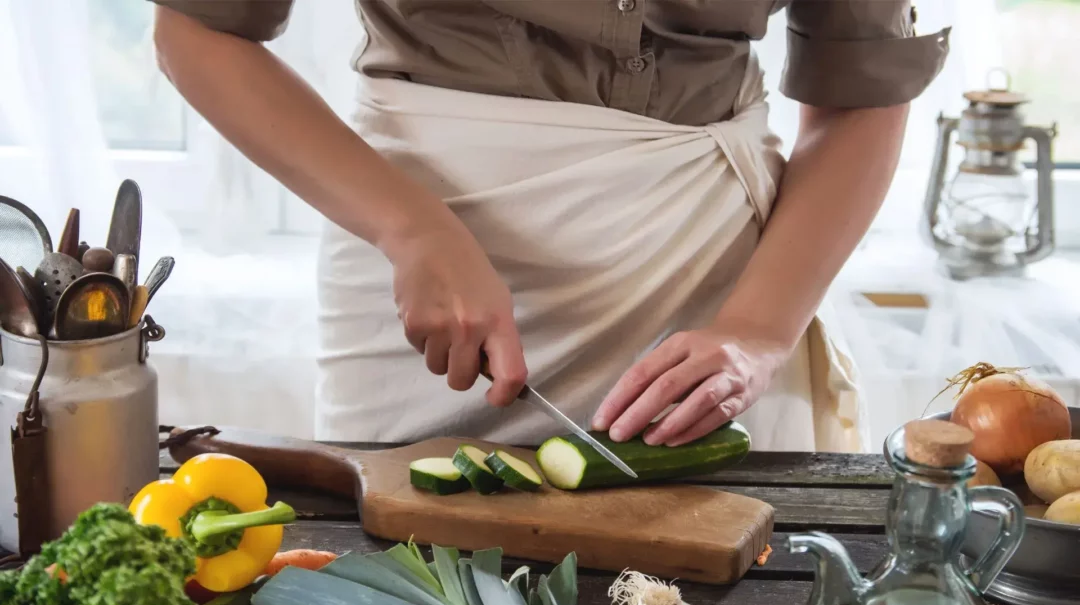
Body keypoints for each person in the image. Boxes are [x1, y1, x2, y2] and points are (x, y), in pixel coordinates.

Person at [150, 1, 948, 452]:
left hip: (708, 276)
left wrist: (757, 330)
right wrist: (410, 228)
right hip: (415, 266)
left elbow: (861, 89)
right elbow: (201, 28)